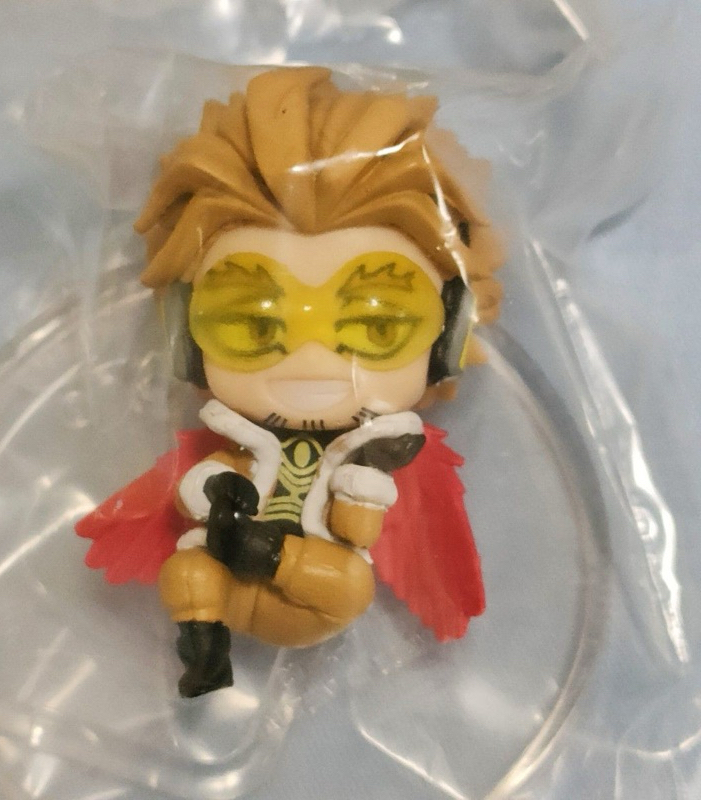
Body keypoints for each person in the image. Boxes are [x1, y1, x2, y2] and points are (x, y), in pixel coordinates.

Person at [78, 66, 504, 697]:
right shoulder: (235, 440)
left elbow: (358, 533)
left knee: (350, 584)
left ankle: (267, 561)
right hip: (225, 580)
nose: (310, 362)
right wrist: (217, 496)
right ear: (186, 339)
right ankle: (204, 648)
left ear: (447, 339)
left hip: (313, 592)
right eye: (253, 325)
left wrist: (298, 534)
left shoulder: (366, 459)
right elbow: (196, 493)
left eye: (376, 326)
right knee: (188, 571)